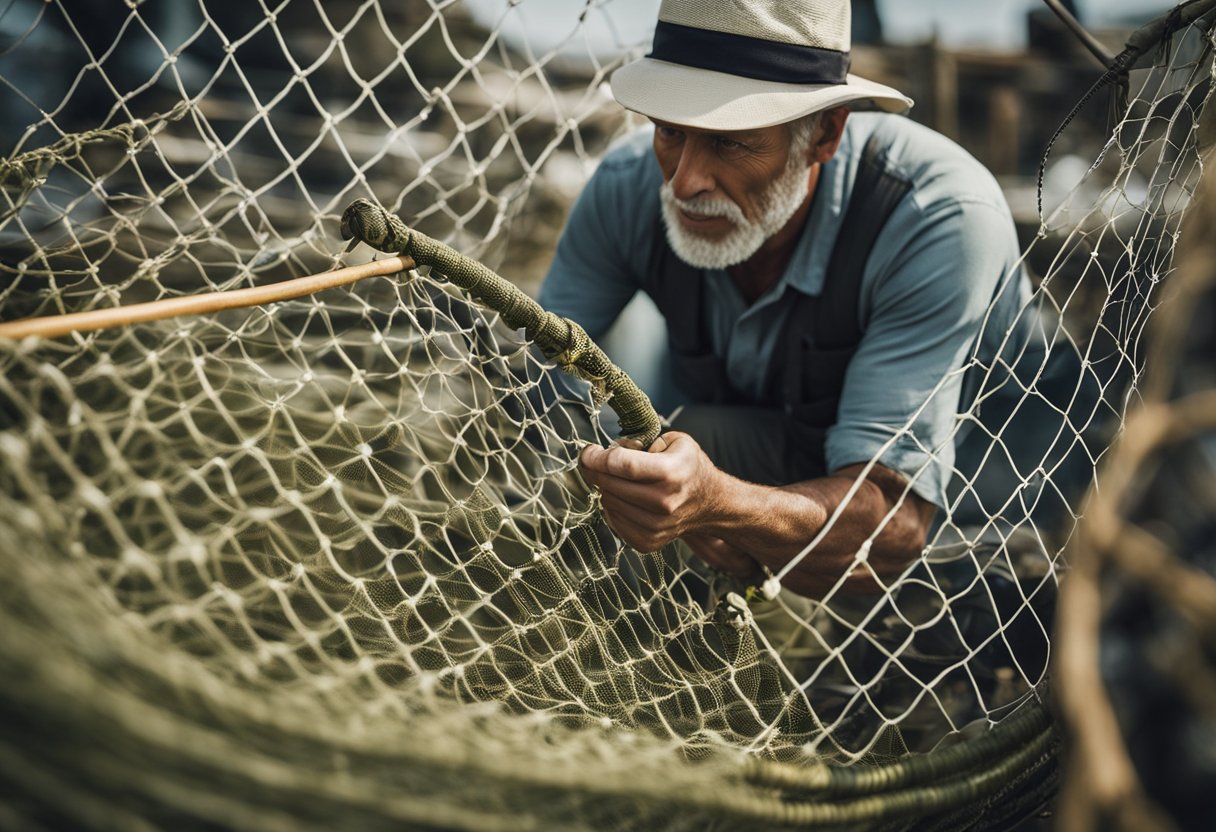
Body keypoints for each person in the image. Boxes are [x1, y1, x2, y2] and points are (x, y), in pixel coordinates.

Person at [538, 0, 1030, 598]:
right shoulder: (626, 191)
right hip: (786, 452)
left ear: (823, 133)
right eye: (669, 130)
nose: (685, 182)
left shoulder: (938, 219)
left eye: (730, 143)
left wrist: (721, 504)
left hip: (991, 502)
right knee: (659, 457)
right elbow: (535, 385)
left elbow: (893, 529)